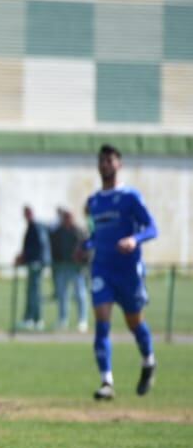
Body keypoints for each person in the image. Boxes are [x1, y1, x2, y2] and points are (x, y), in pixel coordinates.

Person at [84, 144, 158, 399]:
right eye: (101, 160)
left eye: (109, 160)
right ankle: (107, 382)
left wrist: (134, 240)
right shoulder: (93, 202)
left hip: (128, 271)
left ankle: (148, 361)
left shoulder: (130, 197)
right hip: (102, 269)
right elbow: (94, 234)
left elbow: (152, 228)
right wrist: (85, 246)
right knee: (102, 322)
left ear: (119, 164)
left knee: (134, 323)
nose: (105, 164)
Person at [50, 207, 87, 332]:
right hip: (62, 267)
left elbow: (87, 249)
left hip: (76, 269)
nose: (67, 219)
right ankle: (63, 320)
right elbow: (53, 248)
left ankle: (82, 320)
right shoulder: (59, 232)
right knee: (62, 295)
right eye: (65, 217)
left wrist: (82, 260)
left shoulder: (79, 231)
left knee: (80, 294)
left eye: (69, 217)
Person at [16, 205, 51, 330]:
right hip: (33, 263)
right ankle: (30, 318)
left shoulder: (36, 226)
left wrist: (28, 257)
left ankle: (36, 319)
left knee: (34, 292)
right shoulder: (32, 226)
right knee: (31, 292)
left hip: (36, 264)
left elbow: (40, 245)